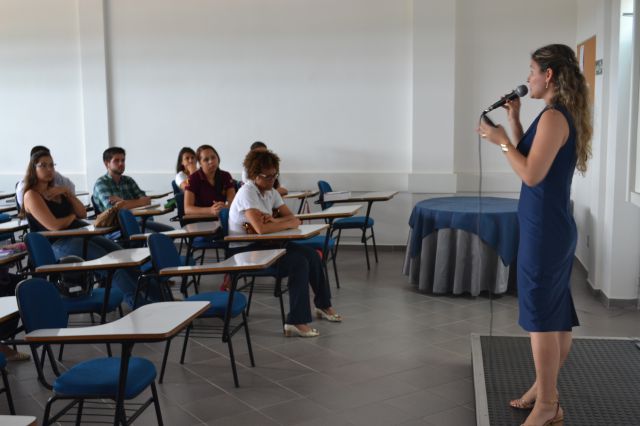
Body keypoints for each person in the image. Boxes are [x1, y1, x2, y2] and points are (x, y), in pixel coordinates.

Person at [478, 44, 592, 426]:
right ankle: (544, 391)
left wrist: (500, 141)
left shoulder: (555, 118)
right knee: (555, 316)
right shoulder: (551, 116)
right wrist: (514, 121)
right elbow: (533, 159)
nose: (527, 78)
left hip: (546, 232)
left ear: (549, 75)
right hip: (546, 228)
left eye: (531, 70)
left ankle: (547, 404)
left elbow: (530, 174)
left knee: (542, 319)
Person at [229, 149, 341, 337]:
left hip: (267, 243)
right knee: (298, 263)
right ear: (255, 175)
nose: (273, 180)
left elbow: (294, 219)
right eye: (268, 176)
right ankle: (296, 321)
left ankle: (323, 305)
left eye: (275, 175)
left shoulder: (270, 192)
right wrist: (282, 224)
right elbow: (261, 229)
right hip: (246, 250)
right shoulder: (247, 192)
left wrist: (274, 221)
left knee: (312, 255)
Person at [93, 147, 173, 232]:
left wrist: (123, 202)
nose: (121, 163)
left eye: (123, 160)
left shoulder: (128, 180)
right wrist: (136, 202)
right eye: (116, 160)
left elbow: (146, 201)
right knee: (154, 236)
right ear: (107, 163)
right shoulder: (101, 184)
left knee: (170, 231)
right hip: (117, 227)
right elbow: (114, 209)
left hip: (139, 221)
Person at [184, 145, 236, 216]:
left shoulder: (226, 175)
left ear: (218, 158)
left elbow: (231, 200)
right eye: (206, 160)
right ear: (200, 163)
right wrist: (210, 210)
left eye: (213, 157)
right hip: (202, 219)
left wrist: (226, 206)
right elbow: (187, 209)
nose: (211, 161)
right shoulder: (192, 178)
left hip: (224, 216)